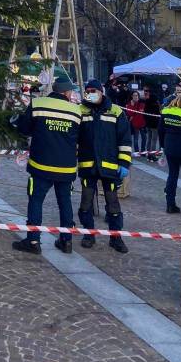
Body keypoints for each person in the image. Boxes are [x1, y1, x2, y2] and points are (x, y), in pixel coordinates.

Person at [11, 77, 81, 255]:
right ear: (66, 92)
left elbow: (25, 129)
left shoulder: (38, 103)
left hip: (41, 165)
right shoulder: (76, 111)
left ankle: (33, 241)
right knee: (65, 203)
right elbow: (81, 138)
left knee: (36, 201)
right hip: (65, 168)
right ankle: (66, 241)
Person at [77, 79, 132, 254]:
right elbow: (73, 138)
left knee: (113, 205)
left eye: (94, 90)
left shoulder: (115, 111)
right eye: (88, 91)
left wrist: (124, 163)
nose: (90, 93)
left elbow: (125, 140)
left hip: (110, 168)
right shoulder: (80, 110)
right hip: (88, 166)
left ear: (102, 92)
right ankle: (89, 235)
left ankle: (115, 238)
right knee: (85, 204)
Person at [159, 93, 181, 214]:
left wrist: (163, 146)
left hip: (170, 148)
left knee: (172, 176)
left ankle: (170, 205)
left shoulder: (166, 112)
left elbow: (160, 130)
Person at [143, 85, 161, 160]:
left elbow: (145, 112)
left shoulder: (147, 101)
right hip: (155, 123)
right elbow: (159, 112)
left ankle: (148, 154)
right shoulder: (156, 102)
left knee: (149, 139)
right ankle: (152, 155)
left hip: (148, 123)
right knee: (154, 140)